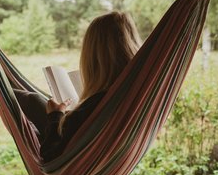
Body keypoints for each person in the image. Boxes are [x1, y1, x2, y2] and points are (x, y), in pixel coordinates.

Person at [14, 11, 142, 162]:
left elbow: (50, 156)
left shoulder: (92, 106)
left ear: (93, 56)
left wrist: (55, 116)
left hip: (76, 163)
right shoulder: (138, 90)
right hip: (109, 156)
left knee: (29, 99)